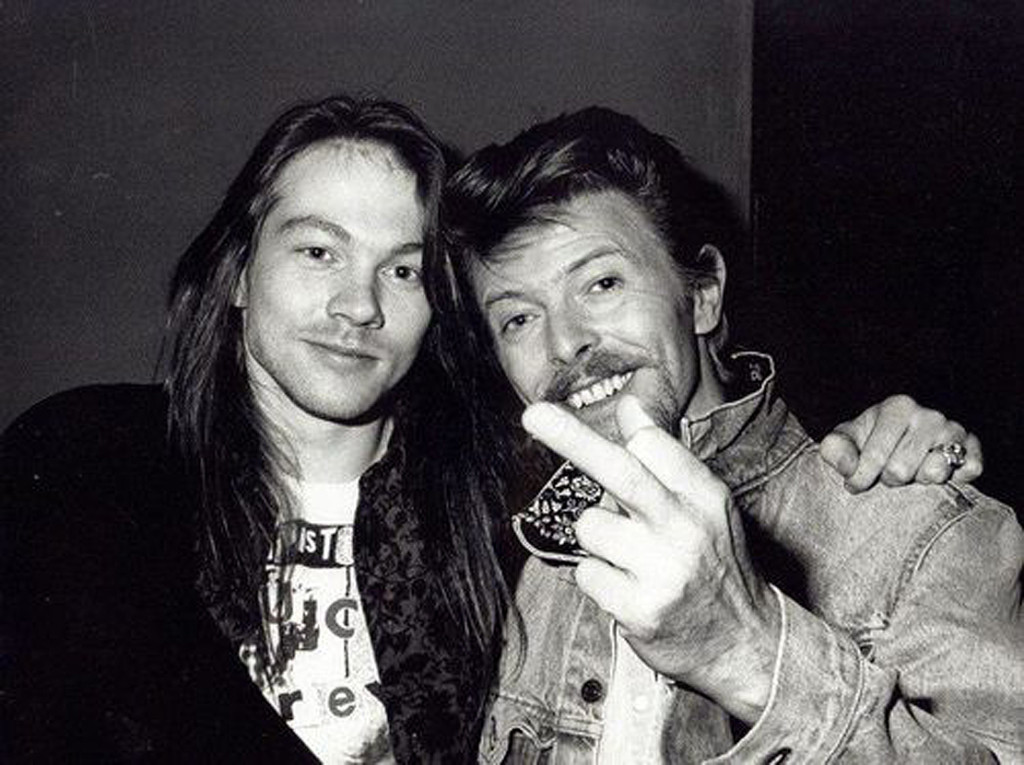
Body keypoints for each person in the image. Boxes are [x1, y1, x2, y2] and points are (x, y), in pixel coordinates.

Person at [0, 94, 987, 764]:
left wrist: (875, 459)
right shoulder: (87, 468)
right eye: (317, 251)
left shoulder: (495, 517)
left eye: (401, 269)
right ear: (236, 274)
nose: (357, 305)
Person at [436, 107, 1023, 762]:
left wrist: (747, 650)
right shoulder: (538, 564)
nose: (565, 342)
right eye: (518, 318)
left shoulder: (920, 530)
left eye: (601, 283)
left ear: (704, 295)